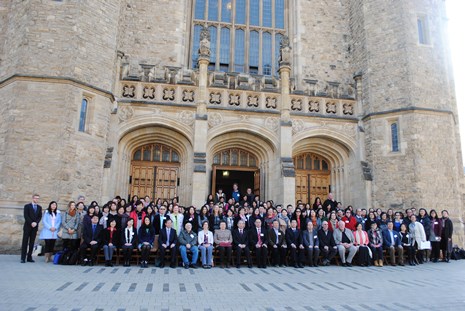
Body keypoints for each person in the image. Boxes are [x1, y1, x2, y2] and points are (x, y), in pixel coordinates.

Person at [21, 194, 43, 263]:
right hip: (28, 226)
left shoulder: (39, 207)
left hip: (35, 227)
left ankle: (29, 257)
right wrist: (31, 223)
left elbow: (40, 216)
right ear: (33, 198)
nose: (37, 199)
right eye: (35, 198)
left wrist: (36, 223)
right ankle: (23, 258)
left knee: (32, 242)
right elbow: (26, 216)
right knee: (25, 242)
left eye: (38, 198)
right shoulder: (27, 206)